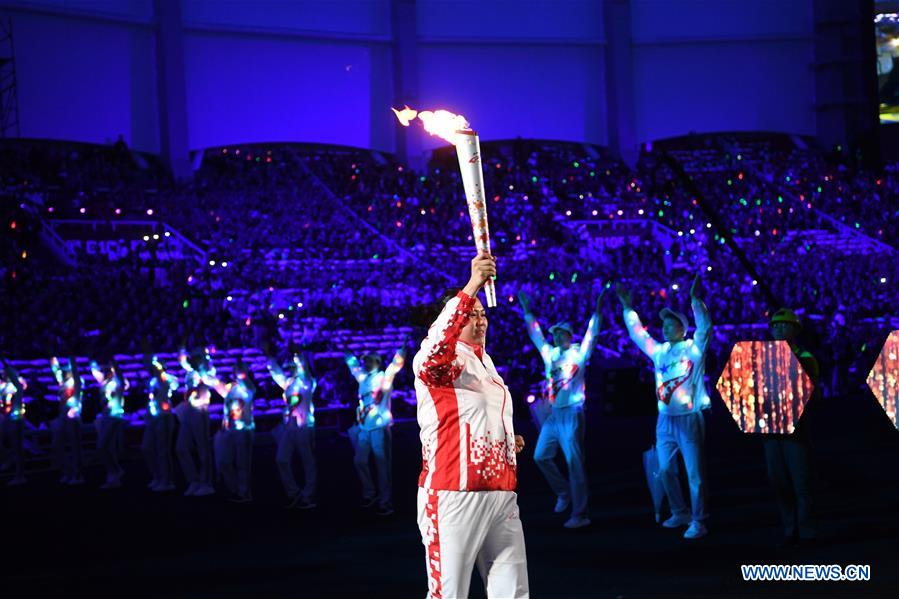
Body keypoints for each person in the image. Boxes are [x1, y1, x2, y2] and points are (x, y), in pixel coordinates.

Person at [413, 253, 529, 598]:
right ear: (451, 319)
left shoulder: (486, 363)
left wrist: (506, 439)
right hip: (453, 495)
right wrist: (473, 285)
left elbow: (475, 416)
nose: (479, 321)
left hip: (501, 494)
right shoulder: (437, 362)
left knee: (512, 593)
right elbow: (436, 348)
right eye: (469, 315)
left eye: (481, 314)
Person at [617, 274, 711, 540]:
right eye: (664, 325)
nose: (666, 328)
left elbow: (704, 328)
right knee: (666, 468)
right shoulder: (659, 352)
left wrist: (695, 301)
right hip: (665, 419)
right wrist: (627, 308)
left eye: (671, 324)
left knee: (694, 473)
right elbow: (638, 335)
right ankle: (679, 511)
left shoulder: (693, 349)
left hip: (689, 418)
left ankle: (699, 519)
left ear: (682, 327)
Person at [518, 286, 605, 528]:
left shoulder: (579, 354)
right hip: (554, 415)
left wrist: (597, 311)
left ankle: (580, 513)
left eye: (561, 334)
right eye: (555, 334)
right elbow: (536, 336)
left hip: (573, 414)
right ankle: (564, 492)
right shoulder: (551, 354)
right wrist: (527, 311)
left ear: (570, 335)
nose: (556, 337)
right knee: (540, 456)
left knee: (574, 463)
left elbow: (592, 335)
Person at [763, 308, 820, 546]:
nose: (778, 329)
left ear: (795, 330)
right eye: (775, 326)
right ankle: (790, 528)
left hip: (796, 429)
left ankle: (806, 531)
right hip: (771, 429)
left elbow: (809, 391)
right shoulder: (764, 357)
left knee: (800, 481)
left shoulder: (805, 357)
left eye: (784, 325)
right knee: (778, 481)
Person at [344, 344, 406, 516]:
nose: (366, 363)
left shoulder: (384, 377)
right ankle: (370, 493)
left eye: (369, 360)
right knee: (360, 460)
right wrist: (347, 352)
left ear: (377, 362)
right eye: (365, 361)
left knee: (382, 464)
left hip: (379, 427)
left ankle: (385, 502)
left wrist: (402, 348)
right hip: (363, 427)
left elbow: (395, 366)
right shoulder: (363, 378)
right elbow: (353, 366)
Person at [267, 350, 317, 509]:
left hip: (303, 427)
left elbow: (305, 371)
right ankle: (294, 492)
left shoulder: (307, 383)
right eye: (288, 368)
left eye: (292, 368)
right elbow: (276, 372)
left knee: (307, 461)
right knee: (281, 459)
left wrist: (298, 357)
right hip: (289, 427)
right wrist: (269, 356)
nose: (289, 370)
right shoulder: (288, 384)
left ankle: (308, 495)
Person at [207, 359, 256, 503]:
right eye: (235, 370)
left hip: (244, 430)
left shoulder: (248, 389)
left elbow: (248, 388)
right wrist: (203, 368)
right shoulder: (229, 389)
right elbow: (215, 383)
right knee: (223, 461)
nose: (237, 373)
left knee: (243, 463)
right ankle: (235, 488)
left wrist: (242, 375)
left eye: (240, 370)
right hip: (228, 430)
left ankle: (243, 492)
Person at [176, 347, 215, 496]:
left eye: (196, 358)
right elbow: (181, 358)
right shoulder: (190, 372)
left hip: (200, 412)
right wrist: (183, 343)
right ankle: (194, 480)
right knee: (181, 448)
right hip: (187, 412)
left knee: (203, 449)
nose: (192, 360)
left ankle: (207, 483)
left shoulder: (208, 372)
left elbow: (210, 380)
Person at [90, 359, 130, 489]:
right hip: (105, 417)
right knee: (108, 447)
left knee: (102, 446)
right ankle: (115, 473)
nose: (104, 371)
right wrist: (91, 356)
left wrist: (113, 362)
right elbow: (94, 369)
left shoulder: (117, 383)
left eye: (107, 369)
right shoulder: (104, 383)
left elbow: (120, 376)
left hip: (114, 417)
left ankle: (114, 472)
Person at [142, 355, 179, 492]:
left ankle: (167, 481)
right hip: (152, 417)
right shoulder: (152, 381)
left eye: (156, 366)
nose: (153, 368)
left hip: (164, 417)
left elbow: (171, 385)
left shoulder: (167, 379)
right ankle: (157, 477)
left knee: (163, 450)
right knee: (147, 448)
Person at [50, 356, 85, 485]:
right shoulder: (62, 383)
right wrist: (52, 356)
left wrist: (71, 356)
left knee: (74, 445)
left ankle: (78, 474)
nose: (64, 372)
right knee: (60, 445)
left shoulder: (77, 382)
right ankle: (67, 472)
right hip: (62, 416)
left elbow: (76, 375)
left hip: (73, 416)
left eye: (67, 370)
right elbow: (55, 368)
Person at [0, 362, 28, 486]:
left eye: (7, 373)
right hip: (5, 417)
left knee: (17, 446)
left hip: (16, 418)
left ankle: (20, 475)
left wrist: (5, 363)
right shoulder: (3, 386)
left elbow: (19, 386)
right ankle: (8, 459)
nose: (4, 374)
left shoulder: (18, 385)